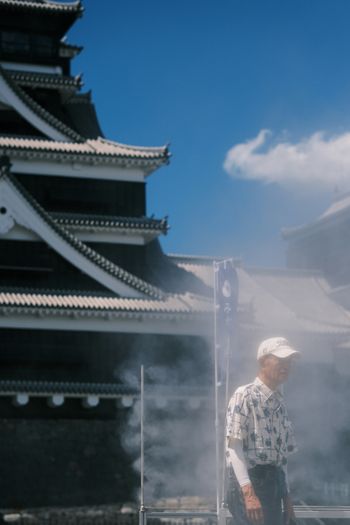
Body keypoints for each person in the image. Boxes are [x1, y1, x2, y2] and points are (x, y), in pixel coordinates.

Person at [225, 337, 300, 525]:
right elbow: (234, 447)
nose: (286, 366)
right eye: (280, 361)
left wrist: (287, 496)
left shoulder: (280, 403)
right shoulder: (244, 395)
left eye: (289, 362)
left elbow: (282, 458)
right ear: (262, 362)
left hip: (274, 481)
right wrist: (248, 493)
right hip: (250, 480)